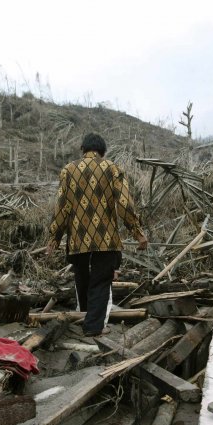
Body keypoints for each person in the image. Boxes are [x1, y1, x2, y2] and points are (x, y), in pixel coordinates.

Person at [47, 133, 148, 336]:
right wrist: (137, 233)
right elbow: (125, 205)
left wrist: (54, 239)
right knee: (101, 282)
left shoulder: (68, 171)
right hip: (106, 240)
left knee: (82, 281)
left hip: (77, 240)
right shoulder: (112, 169)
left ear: (83, 149)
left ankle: (85, 318)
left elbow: (61, 208)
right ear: (102, 151)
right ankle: (93, 328)